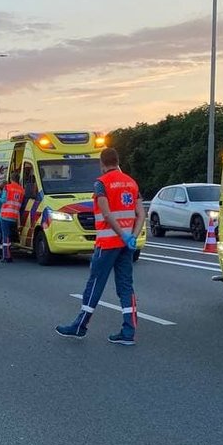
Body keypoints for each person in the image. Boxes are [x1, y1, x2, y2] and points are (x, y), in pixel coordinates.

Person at [56, 147, 144, 345]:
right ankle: (128, 331)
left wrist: (120, 234)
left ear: (102, 163)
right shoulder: (131, 182)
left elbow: (106, 214)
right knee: (125, 285)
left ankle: (80, 326)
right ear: (118, 161)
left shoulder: (101, 184)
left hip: (107, 243)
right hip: (125, 245)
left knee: (95, 283)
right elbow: (141, 214)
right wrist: (131, 237)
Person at [0, 174, 24, 263]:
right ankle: (8, 254)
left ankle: (6, 256)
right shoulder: (21, 189)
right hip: (14, 216)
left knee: (5, 237)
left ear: (11, 179)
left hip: (5, 215)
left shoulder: (7, 187)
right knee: (10, 236)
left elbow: (3, 200)